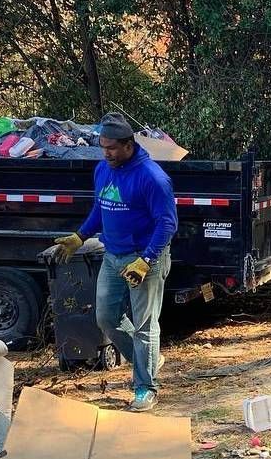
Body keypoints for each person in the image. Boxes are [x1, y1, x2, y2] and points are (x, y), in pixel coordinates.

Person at [41, 113, 177, 411]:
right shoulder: (103, 169)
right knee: (106, 317)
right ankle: (149, 359)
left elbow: (167, 224)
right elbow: (102, 208)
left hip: (144, 259)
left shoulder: (152, 178)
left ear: (129, 145)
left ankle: (145, 388)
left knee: (144, 326)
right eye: (103, 146)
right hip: (112, 256)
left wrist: (146, 260)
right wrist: (80, 235)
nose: (106, 153)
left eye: (112, 147)